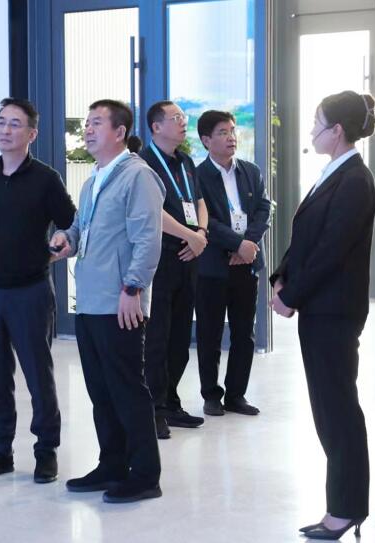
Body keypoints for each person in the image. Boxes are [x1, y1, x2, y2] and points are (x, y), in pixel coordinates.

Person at [271, 91, 375, 540]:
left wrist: (292, 295)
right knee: (328, 409)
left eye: (317, 122)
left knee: (338, 411)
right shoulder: (335, 173)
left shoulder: (355, 180)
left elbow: (331, 250)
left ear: (336, 131)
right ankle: (342, 506)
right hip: (320, 309)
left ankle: (346, 509)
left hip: (334, 312)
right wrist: (281, 277)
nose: (311, 129)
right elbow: (307, 237)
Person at [0, 98, 76, 483]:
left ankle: (46, 451)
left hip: (30, 292)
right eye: (1, 122)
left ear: (31, 133)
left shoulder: (46, 179)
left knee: (39, 375)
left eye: (15, 124)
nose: (5, 130)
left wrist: (55, 249)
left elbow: (71, 226)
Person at [51, 99, 164, 503]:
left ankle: (145, 475)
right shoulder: (94, 179)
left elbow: (148, 238)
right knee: (101, 391)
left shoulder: (138, 176)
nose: (88, 129)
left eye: (97, 123)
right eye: (87, 123)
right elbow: (80, 227)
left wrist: (133, 288)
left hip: (120, 301)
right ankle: (112, 464)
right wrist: (66, 238)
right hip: (90, 300)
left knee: (127, 389)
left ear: (120, 132)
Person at [138, 101, 208, 439]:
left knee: (180, 336)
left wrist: (201, 234)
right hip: (161, 257)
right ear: (156, 127)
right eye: (177, 118)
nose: (183, 122)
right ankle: (153, 409)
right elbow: (152, 210)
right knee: (157, 337)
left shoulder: (186, 161)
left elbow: (199, 202)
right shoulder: (143, 163)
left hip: (189, 255)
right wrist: (190, 236)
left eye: (183, 117)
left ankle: (171, 400)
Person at [195, 110, 270, 416]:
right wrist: (236, 244)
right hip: (212, 266)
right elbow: (204, 220)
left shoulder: (250, 171)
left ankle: (236, 395)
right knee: (210, 334)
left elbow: (263, 208)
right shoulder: (198, 176)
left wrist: (247, 244)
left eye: (233, 131)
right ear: (206, 140)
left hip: (245, 264)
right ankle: (211, 395)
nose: (231, 137)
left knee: (244, 333)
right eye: (223, 132)